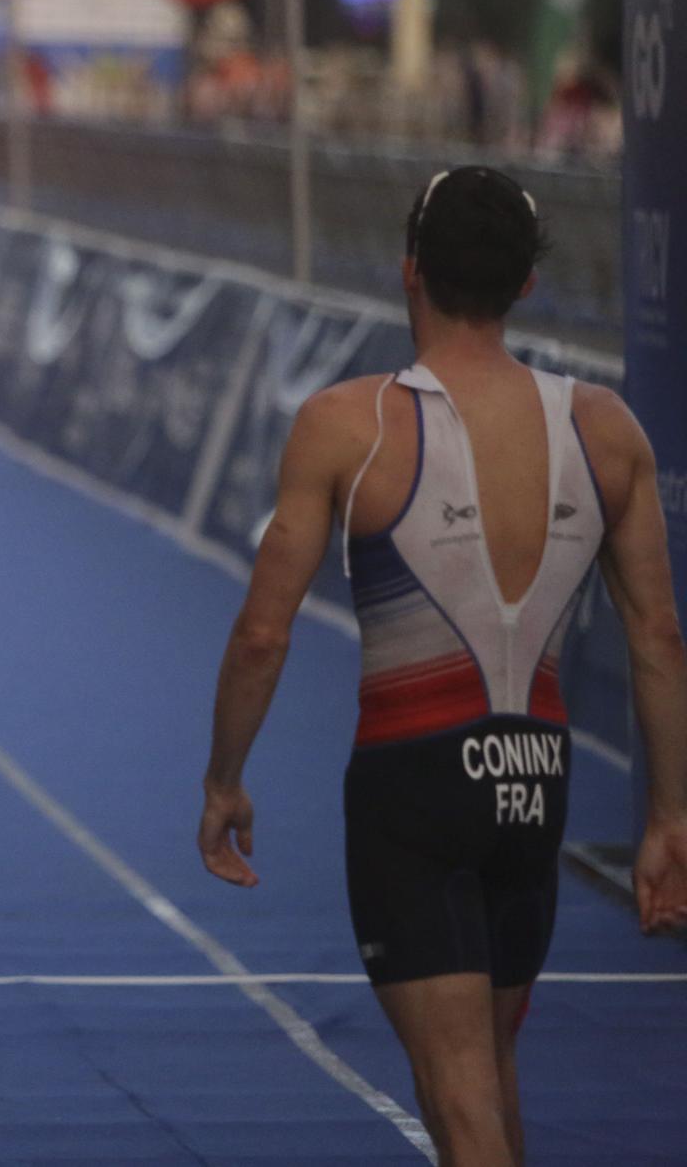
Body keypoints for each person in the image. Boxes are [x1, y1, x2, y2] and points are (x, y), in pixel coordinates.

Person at [197, 167, 687, 1166]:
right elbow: (656, 639)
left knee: (457, 1095)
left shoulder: (351, 422)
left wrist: (222, 778)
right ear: (526, 286)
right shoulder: (605, 429)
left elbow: (260, 630)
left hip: (412, 785)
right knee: (482, 1074)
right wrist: (669, 818)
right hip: (533, 784)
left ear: (406, 272)